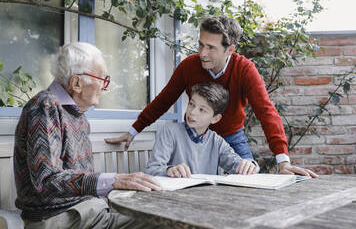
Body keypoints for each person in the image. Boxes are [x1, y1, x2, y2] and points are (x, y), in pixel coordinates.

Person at [105, 16, 318, 178]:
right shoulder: (189, 66)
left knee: (249, 182)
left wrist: (283, 161)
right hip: (193, 137)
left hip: (231, 136)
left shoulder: (244, 70)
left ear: (230, 50)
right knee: (187, 182)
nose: (203, 53)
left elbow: (266, 112)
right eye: (201, 44)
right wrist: (134, 130)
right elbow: (163, 100)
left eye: (211, 47)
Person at [13, 42, 162, 229]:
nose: (105, 87)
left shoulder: (78, 116)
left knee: (161, 218)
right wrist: (114, 180)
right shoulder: (45, 106)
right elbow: (46, 181)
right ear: (76, 83)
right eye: (102, 79)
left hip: (88, 211)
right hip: (56, 218)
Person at [145, 82, 259, 177]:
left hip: (207, 199)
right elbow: (151, 170)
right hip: (176, 199)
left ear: (215, 118)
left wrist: (249, 165)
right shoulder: (170, 131)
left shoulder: (217, 141)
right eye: (191, 104)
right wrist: (169, 170)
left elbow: (238, 165)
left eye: (202, 110)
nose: (192, 112)